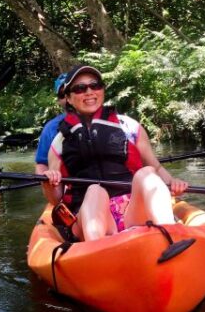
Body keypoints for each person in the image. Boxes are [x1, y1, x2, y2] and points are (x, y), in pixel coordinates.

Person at [41, 65, 188, 242]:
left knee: (146, 173)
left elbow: (154, 166)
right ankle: (97, 251)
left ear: (102, 90)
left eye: (95, 85)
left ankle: (170, 235)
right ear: (69, 98)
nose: (89, 92)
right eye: (80, 88)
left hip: (130, 211)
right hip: (89, 214)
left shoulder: (130, 128)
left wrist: (172, 183)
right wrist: (49, 183)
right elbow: (55, 199)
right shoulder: (59, 142)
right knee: (95, 190)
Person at [34, 73, 68, 175]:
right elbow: (41, 164)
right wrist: (46, 179)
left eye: (71, 91)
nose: (67, 98)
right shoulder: (51, 127)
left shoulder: (106, 121)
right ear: (58, 101)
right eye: (62, 95)